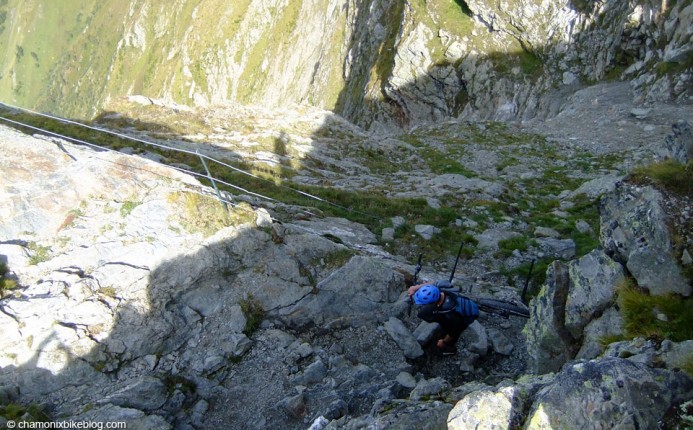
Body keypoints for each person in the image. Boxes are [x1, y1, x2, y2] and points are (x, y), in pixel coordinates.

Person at [407, 282, 478, 354]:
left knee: (447, 338)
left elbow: (453, 333)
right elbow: (432, 284)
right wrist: (415, 288)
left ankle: (450, 350)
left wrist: (443, 341)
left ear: (432, 303)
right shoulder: (442, 287)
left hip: (465, 318)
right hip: (466, 303)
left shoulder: (448, 315)